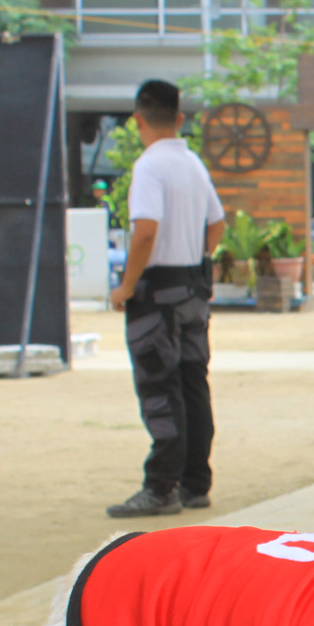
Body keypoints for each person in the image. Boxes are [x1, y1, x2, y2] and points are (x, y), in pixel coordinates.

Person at [106, 80, 226, 519]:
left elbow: (145, 229)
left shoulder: (149, 166)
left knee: (160, 383)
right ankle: (196, 482)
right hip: (193, 284)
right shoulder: (192, 163)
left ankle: (161, 486)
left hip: (156, 289)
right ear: (179, 119)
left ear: (138, 119)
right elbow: (218, 223)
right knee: (193, 380)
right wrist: (199, 257)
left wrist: (125, 285)